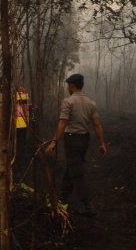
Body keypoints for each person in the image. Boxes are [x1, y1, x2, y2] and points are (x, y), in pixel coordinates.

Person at [45, 73, 108, 217]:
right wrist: (102, 143)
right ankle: (63, 197)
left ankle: (88, 206)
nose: (68, 88)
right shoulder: (90, 103)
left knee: (76, 173)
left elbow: (62, 122)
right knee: (73, 167)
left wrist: (54, 141)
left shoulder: (68, 102)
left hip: (72, 140)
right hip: (84, 140)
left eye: (68, 85)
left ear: (72, 86)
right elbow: (97, 125)